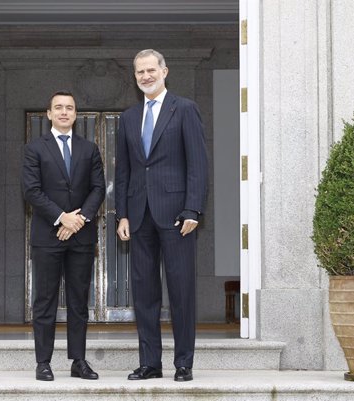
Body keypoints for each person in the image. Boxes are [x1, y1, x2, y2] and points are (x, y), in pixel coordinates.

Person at [115, 49, 208, 382]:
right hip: (139, 217)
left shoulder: (183, 109)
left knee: (181, 291)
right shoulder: (128, 118)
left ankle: (183, 363)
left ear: (164, 71)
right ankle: (150, 363)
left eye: (151, 70)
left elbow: (197, 163)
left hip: (177, 217)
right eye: (140, 72)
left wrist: (193, 209)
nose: (145, 76)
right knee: (144, 294)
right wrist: (122, 215)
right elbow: (123, 170)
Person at [22, 91, 105, 381]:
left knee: (79, 301)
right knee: (44, 300)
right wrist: (62, 217)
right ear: (49, 114)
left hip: (81, 237)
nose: (64, 112)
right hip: (48, 236)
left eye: (69, 107)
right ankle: (43, 362)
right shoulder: (35, 149)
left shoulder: (90, 148)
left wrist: (78, 220)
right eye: (58, 107)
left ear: (75, 113)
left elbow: (98, 189)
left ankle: (78, 361)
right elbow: (31, 190)